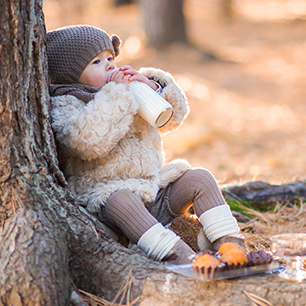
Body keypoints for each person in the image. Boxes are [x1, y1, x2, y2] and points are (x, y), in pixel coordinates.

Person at [46, 25, 244, 263]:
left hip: (153, 193)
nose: (109, 66)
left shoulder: (131, 91)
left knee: (200, 178)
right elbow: (87, 141)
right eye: (96, 62)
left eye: (110, 58)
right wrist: (116, 94)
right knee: (122, 200)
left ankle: (231, 246)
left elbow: (172, 119)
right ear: (71, 74)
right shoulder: (68, 103)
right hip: (110, 205)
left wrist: (152, 88)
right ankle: (183, 258)